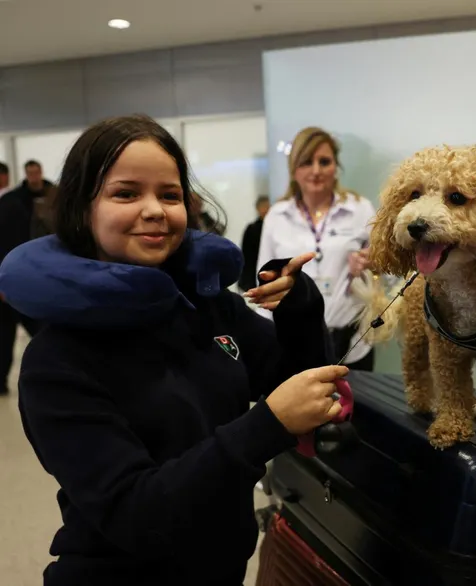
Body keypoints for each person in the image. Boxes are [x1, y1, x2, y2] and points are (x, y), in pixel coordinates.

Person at [0, 114, 349, 586]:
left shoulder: (207, 308)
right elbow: (136, 514)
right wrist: (265, 426)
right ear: (84, 209)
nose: (155, 210)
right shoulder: (55, 361)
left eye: (169, 194)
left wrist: (300, 306)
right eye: (126, 193)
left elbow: (295, 381)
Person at [257, 126, 376, 371]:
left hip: (352, 343)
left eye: (324, 161)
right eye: (306, 162)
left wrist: (369, 265)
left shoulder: (360, 209)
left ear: (336, 167)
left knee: (354, 409)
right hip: (294, 344)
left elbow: (383, 265)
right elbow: (263, 282)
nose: (316, 171)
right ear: (293, 170)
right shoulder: (277, 216)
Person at [0, 159, 54, 394]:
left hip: (38, 277)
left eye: (37, 171)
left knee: (47, 332)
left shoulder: (56, 197)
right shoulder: (10, 203)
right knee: (4, 336)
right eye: (30, 172)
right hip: (11, 278)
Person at [239, 195, 271, 292]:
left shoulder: (274, 228)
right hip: (253, 271)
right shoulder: (251, 228)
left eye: (268, 206)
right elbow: (245, 253)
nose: (266, 210)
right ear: (258, 209)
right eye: (263, 207)